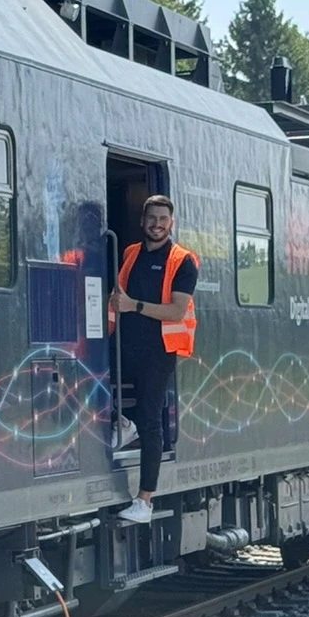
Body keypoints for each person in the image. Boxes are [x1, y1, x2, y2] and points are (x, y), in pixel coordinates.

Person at [110, 195, 198, 523]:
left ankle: (144, 501)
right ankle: (125, 423)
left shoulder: (182, 260)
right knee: (96, 385)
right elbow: (119, 294)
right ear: (143, 220)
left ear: (171, 222)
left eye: (163, 219)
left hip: (160, 349)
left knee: (151, 419)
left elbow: (177, 309)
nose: (156, 224)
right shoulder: (131, 252)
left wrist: (135, 306)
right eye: (152, 218)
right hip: (126, 342)